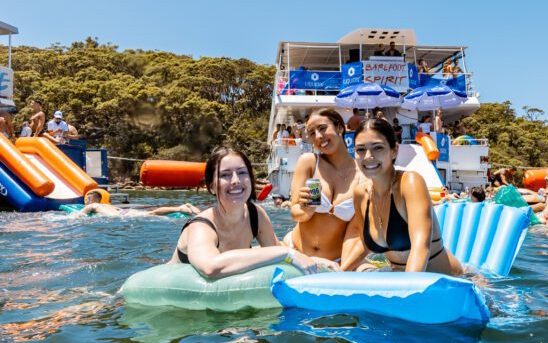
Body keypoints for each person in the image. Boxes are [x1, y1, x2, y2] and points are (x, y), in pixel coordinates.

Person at [171, 147, 321, 276]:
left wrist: (317, 261)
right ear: (211, 187)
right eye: (225, 175)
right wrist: (287, 253)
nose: (236, 180)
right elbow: (210, 267)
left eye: (242, 173)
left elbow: (277, 251)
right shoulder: (201, 226)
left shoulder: (255, 214)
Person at [347, 118, 462, 275]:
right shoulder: (360, 194)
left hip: (451, 285)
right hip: (406, 281)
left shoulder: (410, 183)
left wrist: (406, 293)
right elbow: (366, 246)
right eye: (360, 149)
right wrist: (339, 271)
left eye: (378, 148)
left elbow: (421, 247)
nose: (368, 156)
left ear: (394, 150)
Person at [286, 108, 363, 266]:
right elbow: (295, 212)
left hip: (336, 262)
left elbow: (357, 231)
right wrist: (306, 210)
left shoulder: (363, 176)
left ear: (340, 128)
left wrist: (344, 268)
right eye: (312, 133)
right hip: (296, 254)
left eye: (322, 128)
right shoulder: (309, 162)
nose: (319, 137)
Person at [79, 190, 200, 217]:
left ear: (91, 200)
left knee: (152, 214)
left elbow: (80, 215)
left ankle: (180, 208)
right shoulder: (107, 205)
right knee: (150, 213)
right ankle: (181, 207)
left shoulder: (93, 205)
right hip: (124, 212)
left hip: (122, 216)